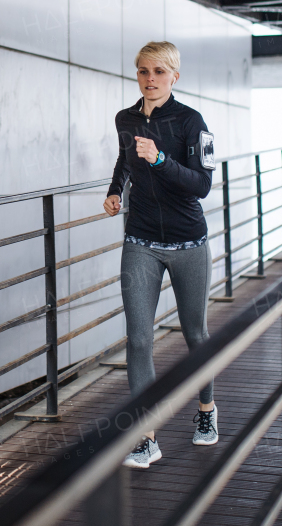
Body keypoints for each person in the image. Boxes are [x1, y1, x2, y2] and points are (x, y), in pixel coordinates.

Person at [103, 41, 217, 469]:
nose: (149, 79)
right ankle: (145, 436)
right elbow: (123, 161)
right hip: (141, 240)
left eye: (158, 72)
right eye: (142, 71)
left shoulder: (191, 121)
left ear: (174, 77)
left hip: (189, 242)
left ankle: (206, 411)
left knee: (196, 335)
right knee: (139, 339)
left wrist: (161, 158)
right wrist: (115, 192)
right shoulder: (126, 119)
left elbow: (202, 184)